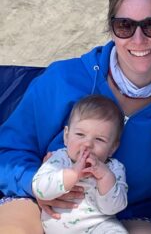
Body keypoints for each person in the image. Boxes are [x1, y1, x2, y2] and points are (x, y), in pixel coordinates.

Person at [0, 0, 151, 234]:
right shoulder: (64, 79)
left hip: (122, 214)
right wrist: (35, 184)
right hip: (41, 204)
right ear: (111, 29)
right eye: (125, 25)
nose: (138, 39)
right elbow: (8, 151)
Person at [32, 94, 128, 233]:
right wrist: (72, 174)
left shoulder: (114, 168)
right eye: (80, 135)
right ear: (66, 136)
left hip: (99, 226)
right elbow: (40, 189)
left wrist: (105, 178)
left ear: (112, 148)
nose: (88, 144)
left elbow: (113, 208)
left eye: (99, 139)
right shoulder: (59, 159)